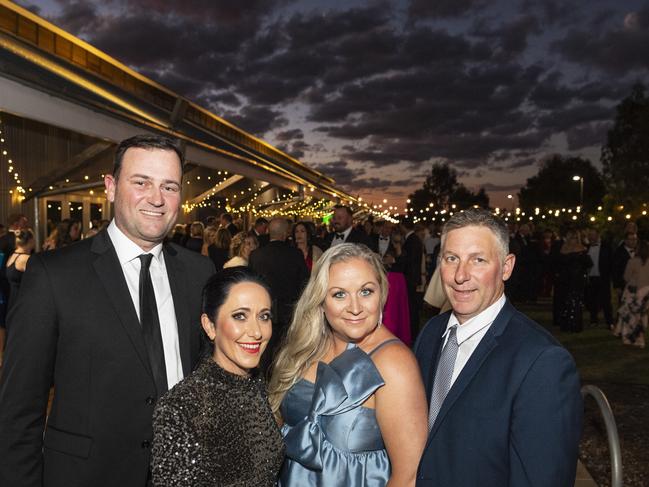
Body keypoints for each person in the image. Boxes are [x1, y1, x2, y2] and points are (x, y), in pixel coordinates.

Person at [0, 134, 215, 487]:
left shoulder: (199, 272)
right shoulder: (54, 275)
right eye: (141, 182)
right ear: (111, 187)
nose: (156, 198)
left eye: (169, 186)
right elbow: (18, 413)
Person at [414, 209, 582, 486]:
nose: (460, 275)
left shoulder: (542, 362)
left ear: (506, 267)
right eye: (451, 259)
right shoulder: (432, 332)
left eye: (477, 260)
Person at [270, 243, 428, 486]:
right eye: (339, 294)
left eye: (366, 292)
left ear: (382, 293)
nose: (355, 308)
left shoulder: (394, 363)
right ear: (321, 300)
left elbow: (408, 477)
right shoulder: (307, 347)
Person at [151, 267, 284, 486]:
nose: (257, 331)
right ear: (210, 326)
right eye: (240, 316)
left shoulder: (255, 384)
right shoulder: (182, 406)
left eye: (264, 316)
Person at [249, 218, 309, 371]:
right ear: (284, 234)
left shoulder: (256, 255)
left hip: (263, 314)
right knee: (286, 359)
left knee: (264, 357)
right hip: (289, 314)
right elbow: (305, 284)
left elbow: (251, 285)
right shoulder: (295, 254)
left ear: (269, 232)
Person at [554, 229, 592, 333]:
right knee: (565, 301)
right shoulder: (563, 248)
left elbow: (589, 263)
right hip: (565, 279)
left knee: (575, 301)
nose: (573, 240)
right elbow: (557, 263)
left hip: (577, 279)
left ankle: (575, 325)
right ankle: (565, 324)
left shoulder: (582, 249)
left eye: (575, 238)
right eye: (571, 238)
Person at [613, 239, 649, 348]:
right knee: (640, 316)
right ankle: (639, 338)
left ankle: (628, 338)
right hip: (645, 292)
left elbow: (626, 277)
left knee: (629, 316)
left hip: (633, 292)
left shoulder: (632, 261)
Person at [585, 228, 614, 328]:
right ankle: (593, 320)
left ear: (598, 235)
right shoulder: (586, 248)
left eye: (593, 235)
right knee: (592, 300)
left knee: (606, 300)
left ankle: (609, 321)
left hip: (603, 277)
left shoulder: (606, 247)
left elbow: (611, 262)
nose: (591, 237)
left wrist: (610, 276)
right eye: (590, 235)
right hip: (591, 278)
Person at [4, 228, 35, 313]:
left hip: (13, 301)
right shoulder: (25, 259)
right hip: (22, 303)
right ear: (31, 240)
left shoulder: (13, 255)